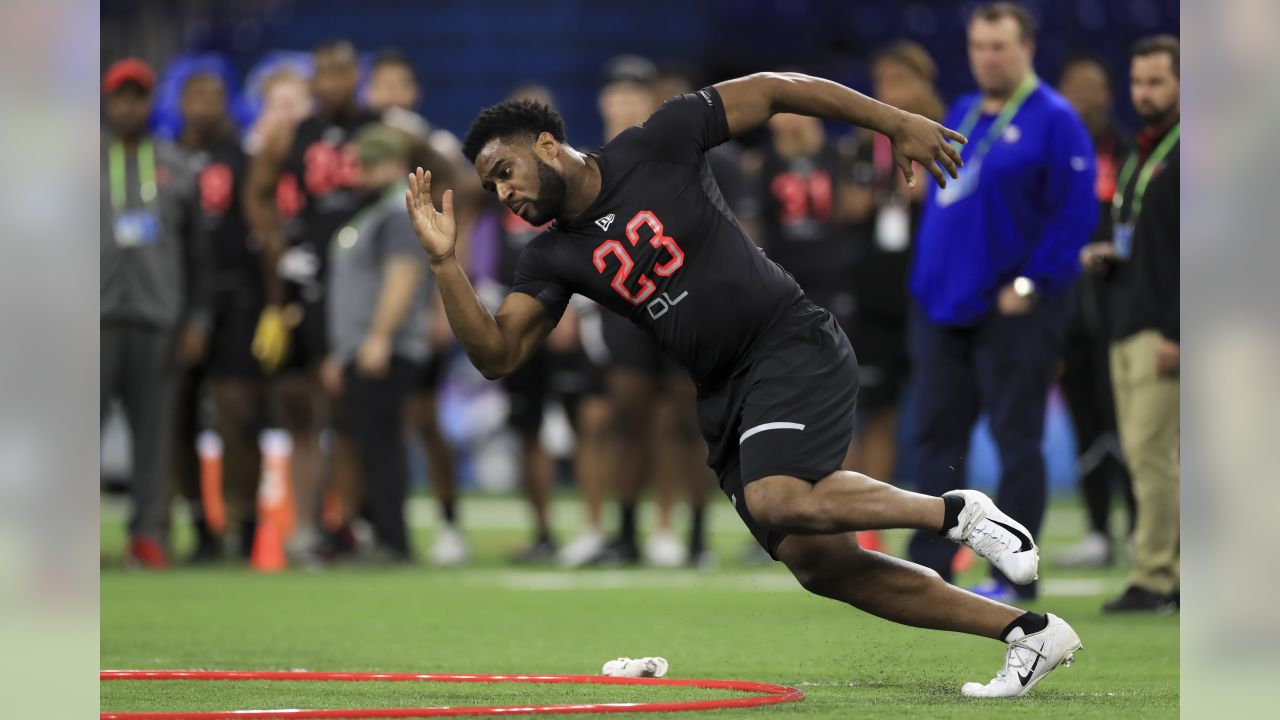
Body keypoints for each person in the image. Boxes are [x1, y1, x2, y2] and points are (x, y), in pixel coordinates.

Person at [407, 67, 1083, 697]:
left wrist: (894, 120)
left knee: (780, 497)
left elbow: (773, 87)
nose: (504, 195)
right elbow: (496, 353)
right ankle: (1027, 634)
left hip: (788, 341)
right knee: (823, 567)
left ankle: (954, 512)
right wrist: (444, 264)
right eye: (492, 186)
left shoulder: (656, 142)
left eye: (506, 172)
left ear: (548, 145)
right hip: (722, 392)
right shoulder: (552, 255)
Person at [905, 2, 1099, 602]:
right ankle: (931, 567)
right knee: (937, 438)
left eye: (1000, 46)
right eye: (979, 46)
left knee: (1017, 439)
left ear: (1026, 50)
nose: (988, 57)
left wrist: (1031, 285)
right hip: (943, 307)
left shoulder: (1055, 119)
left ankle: (1012, 573)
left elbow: (1075, 216)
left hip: (1012, 310)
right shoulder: (963, 110)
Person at [243, 40, 381, 558]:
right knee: (300, 407)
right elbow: (256, 191)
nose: (333, 81)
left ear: (356, 75)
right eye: (323, 72)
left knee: (348, 410)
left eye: (342, 70)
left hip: (360, 282)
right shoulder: (296, 134)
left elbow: (432, 170)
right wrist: (276, 243)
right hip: (309, 281)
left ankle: (351, 523)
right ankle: (304, 528)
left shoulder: (381, 127)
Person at [1081, 36, 1181, 612]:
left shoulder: (1190, 151)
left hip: (1159, 326)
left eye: (1157, 83)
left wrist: (1177, 330)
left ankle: (1156, 577)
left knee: (1151, 455)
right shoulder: (1140, 152)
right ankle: (1167, 572)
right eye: (1138, 82)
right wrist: (1112, 256)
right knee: (1149, 453)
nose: (1144, 93)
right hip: (1125, 315)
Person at [100, 58, 210, 568]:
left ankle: (146, 535)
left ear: (150, 103)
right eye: (120, 96)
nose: (128, 106)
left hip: (158, 318)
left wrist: (196, 321)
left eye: (137, 96)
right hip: (91, 322)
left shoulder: (177, 165)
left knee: (154, 434)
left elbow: (199, 255)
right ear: (105, 102)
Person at [840, 41, 946, 557]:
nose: (892, 94)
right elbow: (844, 205)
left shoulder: (943, 137)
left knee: (938, 415)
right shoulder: (864, 145)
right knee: (875, 413)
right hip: (876, 297)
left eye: (902, 82)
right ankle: (869, 523)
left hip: (934, 294)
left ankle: (949, 526)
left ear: (924, 84)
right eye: (883, 84)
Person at [364, 49, 468, 565]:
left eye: (398, 86)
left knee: (425, 419)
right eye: (380, 86)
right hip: (368, 303)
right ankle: (373, 523)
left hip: (422, 298)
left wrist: (442, 306)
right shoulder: (357, 144)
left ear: (413, 93)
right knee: (373, 423)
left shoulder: (433, 144)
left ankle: (449, 523)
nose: (388, 96)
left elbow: (463, 200)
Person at [320, 124, 433, 563]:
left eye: (372, 163)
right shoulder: (373, 211)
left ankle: (392, 540)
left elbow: (402, 277)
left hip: (384, 348)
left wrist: (379, 339)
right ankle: (376, 534)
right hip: (362, 346)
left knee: (382, 444)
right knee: (368, 442)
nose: (363, 171)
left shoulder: (395, 212)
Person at [171, 70, 267, 563]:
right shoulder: (164, 159)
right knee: (176, 417)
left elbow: (263, 227)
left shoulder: (244, 158)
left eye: (213, 97)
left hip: (237, 298)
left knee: (240, 413)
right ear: (180, 103)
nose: (204, 107)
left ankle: (244, 526)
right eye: (195, 97)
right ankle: (197, 525)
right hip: (176, 299)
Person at [1055, 54, 1136, 568]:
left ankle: (1142, 530)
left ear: (1109, 94)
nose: (1086, 96)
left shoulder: (1128, 152)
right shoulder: (1051, 151)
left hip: (1120, 306)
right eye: (1076, 87)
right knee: (1084, 422)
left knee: (1129, 423)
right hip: (1067, 311)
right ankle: (1098, 530)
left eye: (1095, 86)